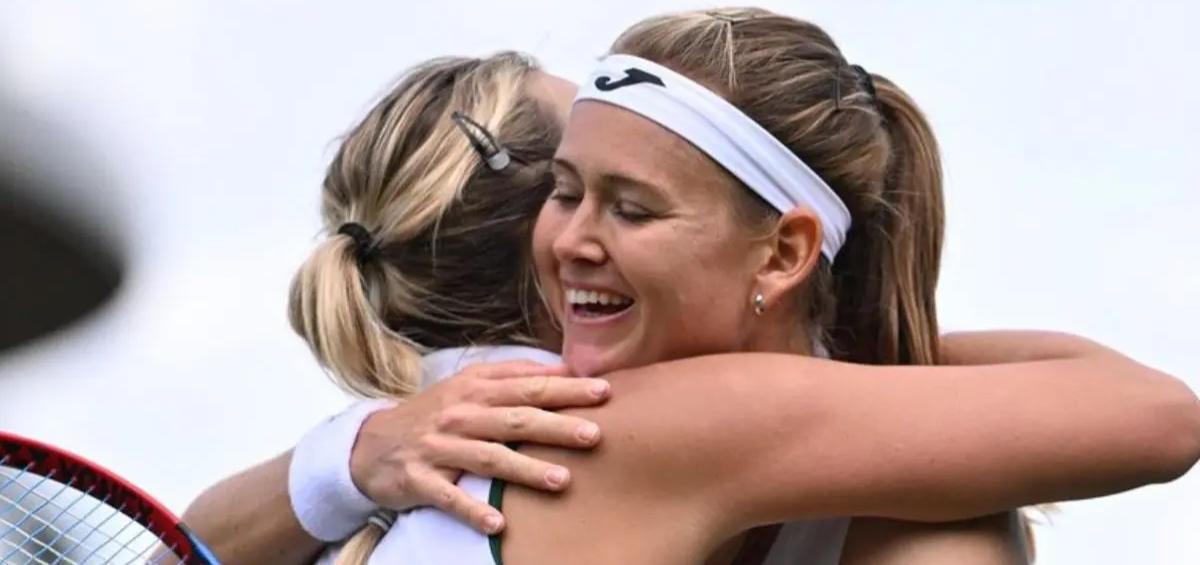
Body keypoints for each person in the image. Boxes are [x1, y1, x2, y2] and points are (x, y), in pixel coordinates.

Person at [183, 13, 1200, 565]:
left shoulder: (370, 491)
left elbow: (177, 551)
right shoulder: (640, 424)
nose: (578, 236)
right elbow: (1159, 417)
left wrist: (344, 455)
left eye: (630, 204)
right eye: (571, 190)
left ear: (781, 252)